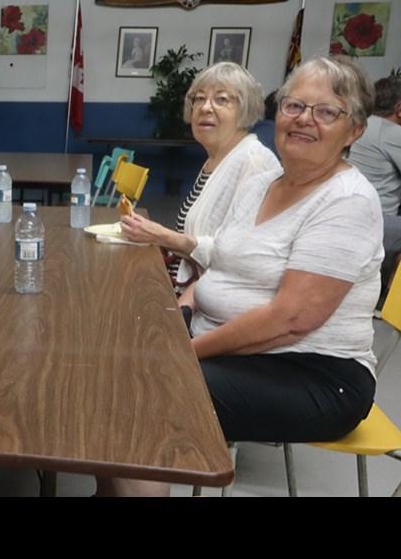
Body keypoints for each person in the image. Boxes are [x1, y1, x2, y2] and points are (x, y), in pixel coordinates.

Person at [103, 56, 382, 497]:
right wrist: (184, 307)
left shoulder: (347, 201)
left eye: (327, 111)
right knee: (109, 352)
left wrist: (184, 351)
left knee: (148, 388)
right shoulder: (266, 182)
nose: (304, 119)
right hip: (230, 342)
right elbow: (221, 253)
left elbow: (289, 320)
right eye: (294, 106)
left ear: (355, 130)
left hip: (313, 374)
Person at [121, 62, 279, 290]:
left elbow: (242, 254)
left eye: (221, 99)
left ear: (246, 108)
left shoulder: (254, 162)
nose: (205, 107)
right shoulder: (216, 159)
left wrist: (162, 236)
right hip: (187, 289)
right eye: (199, 99)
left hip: (209, 307)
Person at [347, 75, 401, 272]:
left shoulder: (356, 124)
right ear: (400, 109)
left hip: (347, 215)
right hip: (375, 221)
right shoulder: (392, 133)